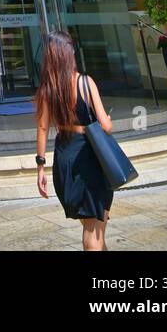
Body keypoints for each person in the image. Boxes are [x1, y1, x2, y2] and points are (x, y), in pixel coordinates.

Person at [35, 31, 114, 251]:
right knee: (93, 231)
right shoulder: (85, 83)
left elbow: (42, 128)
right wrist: (107, 119)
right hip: (89, 158)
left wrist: (40, 168)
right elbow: (105, 126)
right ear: (69, 54)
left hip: (65, 159)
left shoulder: (46, 90)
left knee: (95, 225)